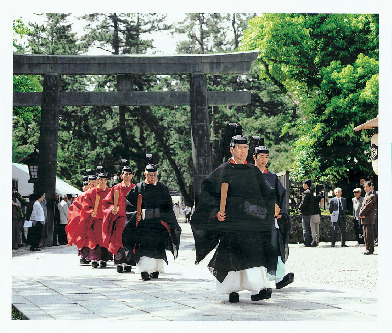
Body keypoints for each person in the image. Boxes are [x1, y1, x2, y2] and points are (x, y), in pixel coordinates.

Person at [191, 135, 277, 303]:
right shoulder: (223, 170)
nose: (243, 151)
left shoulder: (253, 171)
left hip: (251, 222)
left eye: (246, 148)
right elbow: (207, 192)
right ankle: (232, 289)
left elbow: (267, 193)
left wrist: (272, 207)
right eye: (239, 148)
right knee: (233, 255)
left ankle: (260, 288)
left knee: (255, 252)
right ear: (231, 149)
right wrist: (216, 212)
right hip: (231, 223)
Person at [125, 162, 181, 281]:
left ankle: (155, 269)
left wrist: (168, 219)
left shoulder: (162, 188)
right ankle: (144, 271)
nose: (152, 177)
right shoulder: (138, 188)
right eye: (150, 175)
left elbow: (168, 207)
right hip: (144, 224)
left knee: (157, 246)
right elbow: (129, 204)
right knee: (144, 247)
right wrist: (136, 215)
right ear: (145, 175)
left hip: (158, 223)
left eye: (155, 175)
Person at [253, 145, 294, 290]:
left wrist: (280, 212)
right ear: (255, 157)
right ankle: (259, 281)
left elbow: (281, 195)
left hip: (271, 219)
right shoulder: (249, 175)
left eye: (266, 157)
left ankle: (279, 278)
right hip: (255, 219)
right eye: (261, 157)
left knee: (275, 247)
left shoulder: (272, 177)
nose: (264, 160)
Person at [102, 164, 136, 273]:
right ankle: (120, 263)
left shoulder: (135, 188)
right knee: (118, 242)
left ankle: (128, 263)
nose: (127, 176)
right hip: (119, 221)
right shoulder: (116, 188)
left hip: (131, 221)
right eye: (125, 174)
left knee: (130, 241)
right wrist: (112, 209)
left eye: (129, 174)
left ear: (132, 176)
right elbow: (106, 202)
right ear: (122, 176)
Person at [75, 171, 112, 268]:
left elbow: (112, 204)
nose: (102, 182)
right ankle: (94, 259)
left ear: (107, 181)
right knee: (93, 241)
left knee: (104, 241)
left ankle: (104, 259)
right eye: (100, 180)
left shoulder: (110, 192)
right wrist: (91, 212)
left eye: (104, 180)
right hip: (94, 221)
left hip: (105, 221)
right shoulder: (91, 192)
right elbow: (85, 205)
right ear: (98, 180)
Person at [359, 181, 377, 255]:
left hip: (369, 218)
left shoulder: (372, 196)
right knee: (365, 234)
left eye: (366, 186)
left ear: (370, 187)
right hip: (364, 218)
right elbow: (362, 206)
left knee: (369, 234)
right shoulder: (366, 195)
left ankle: (370, 249)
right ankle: (367, 248)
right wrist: (361, 214)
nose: (365, 188)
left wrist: (361, 214)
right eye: (364, 187)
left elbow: (367, 207)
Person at [298, 179, 314, 247]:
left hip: (305, 212)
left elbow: (303, 203)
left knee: (305, 228)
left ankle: (306, 242)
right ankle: (309, 241)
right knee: (309, 228)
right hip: (310, 212)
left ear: (306, 184)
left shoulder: (306, 192)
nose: (303, 185)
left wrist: (299, 208)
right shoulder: (311, 192)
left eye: (303, 184)